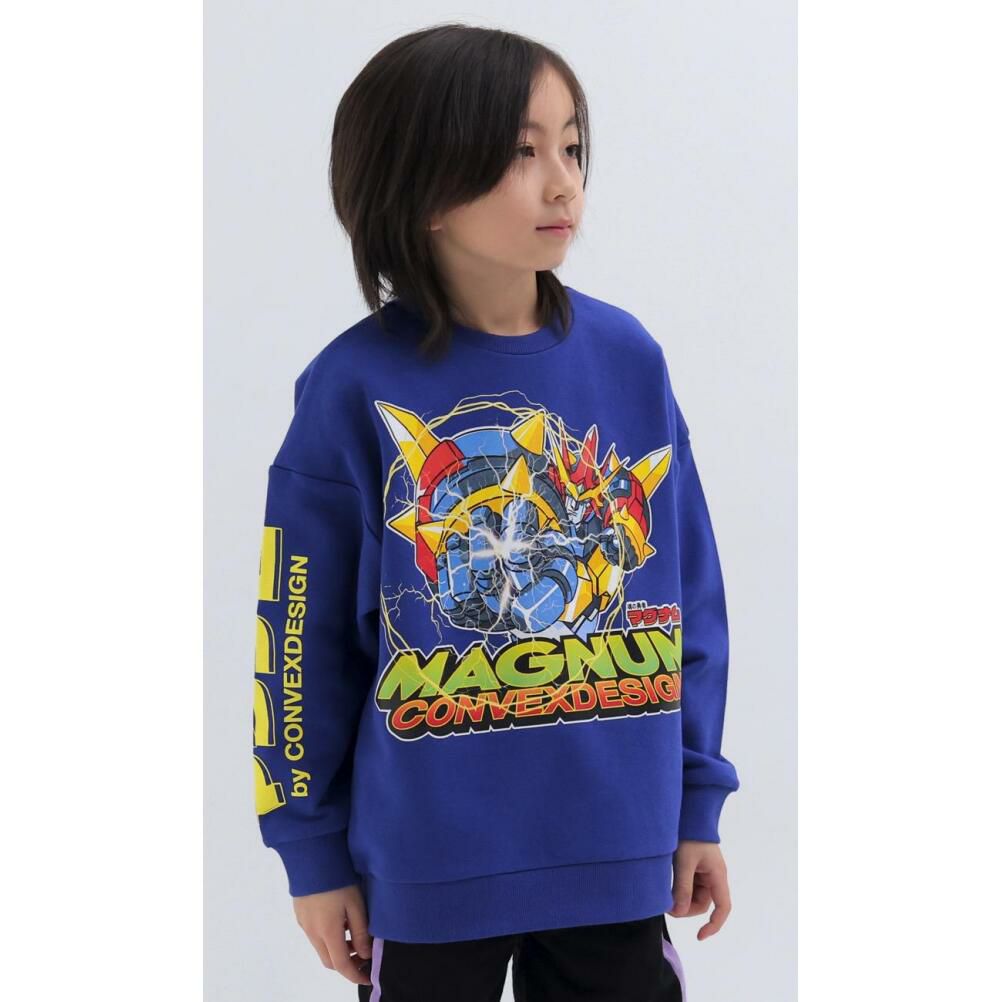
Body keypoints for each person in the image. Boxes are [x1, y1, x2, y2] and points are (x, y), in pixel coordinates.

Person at [251, 23, 740, 1002]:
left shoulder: (627, 360)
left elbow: (690, 598)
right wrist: (312, 853)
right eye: (523, 153)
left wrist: (697, 800)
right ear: (424, 184)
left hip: (614, 851)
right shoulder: (351, 389)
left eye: (573, 147)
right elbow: (298, 644)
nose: (564, 185)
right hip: (427, 870)